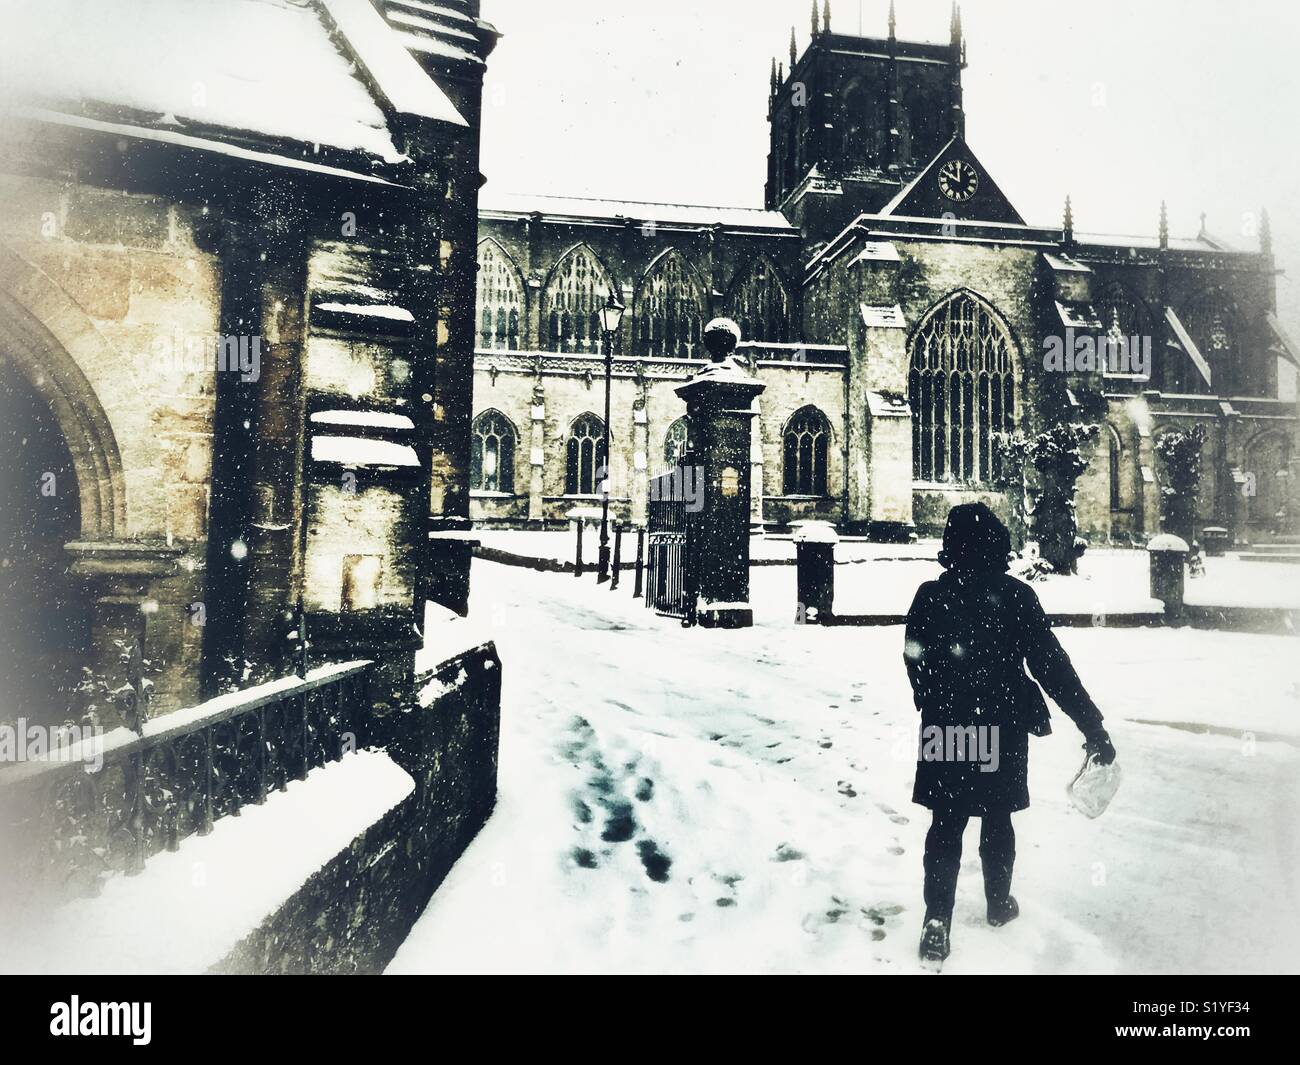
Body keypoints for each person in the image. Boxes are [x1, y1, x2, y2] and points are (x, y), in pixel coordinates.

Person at [903, 502, 1116, 965]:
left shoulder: (929, 596)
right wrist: (1091, 724)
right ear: (999, 546)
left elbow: (913, 655)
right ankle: (999, 903)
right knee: (998, 818)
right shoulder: (1017, 597)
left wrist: (932, 699)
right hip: (1000, 724)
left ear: (950, 548)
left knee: (946, 823)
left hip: (947, 726)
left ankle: (937, 918)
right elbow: (1053, 668)